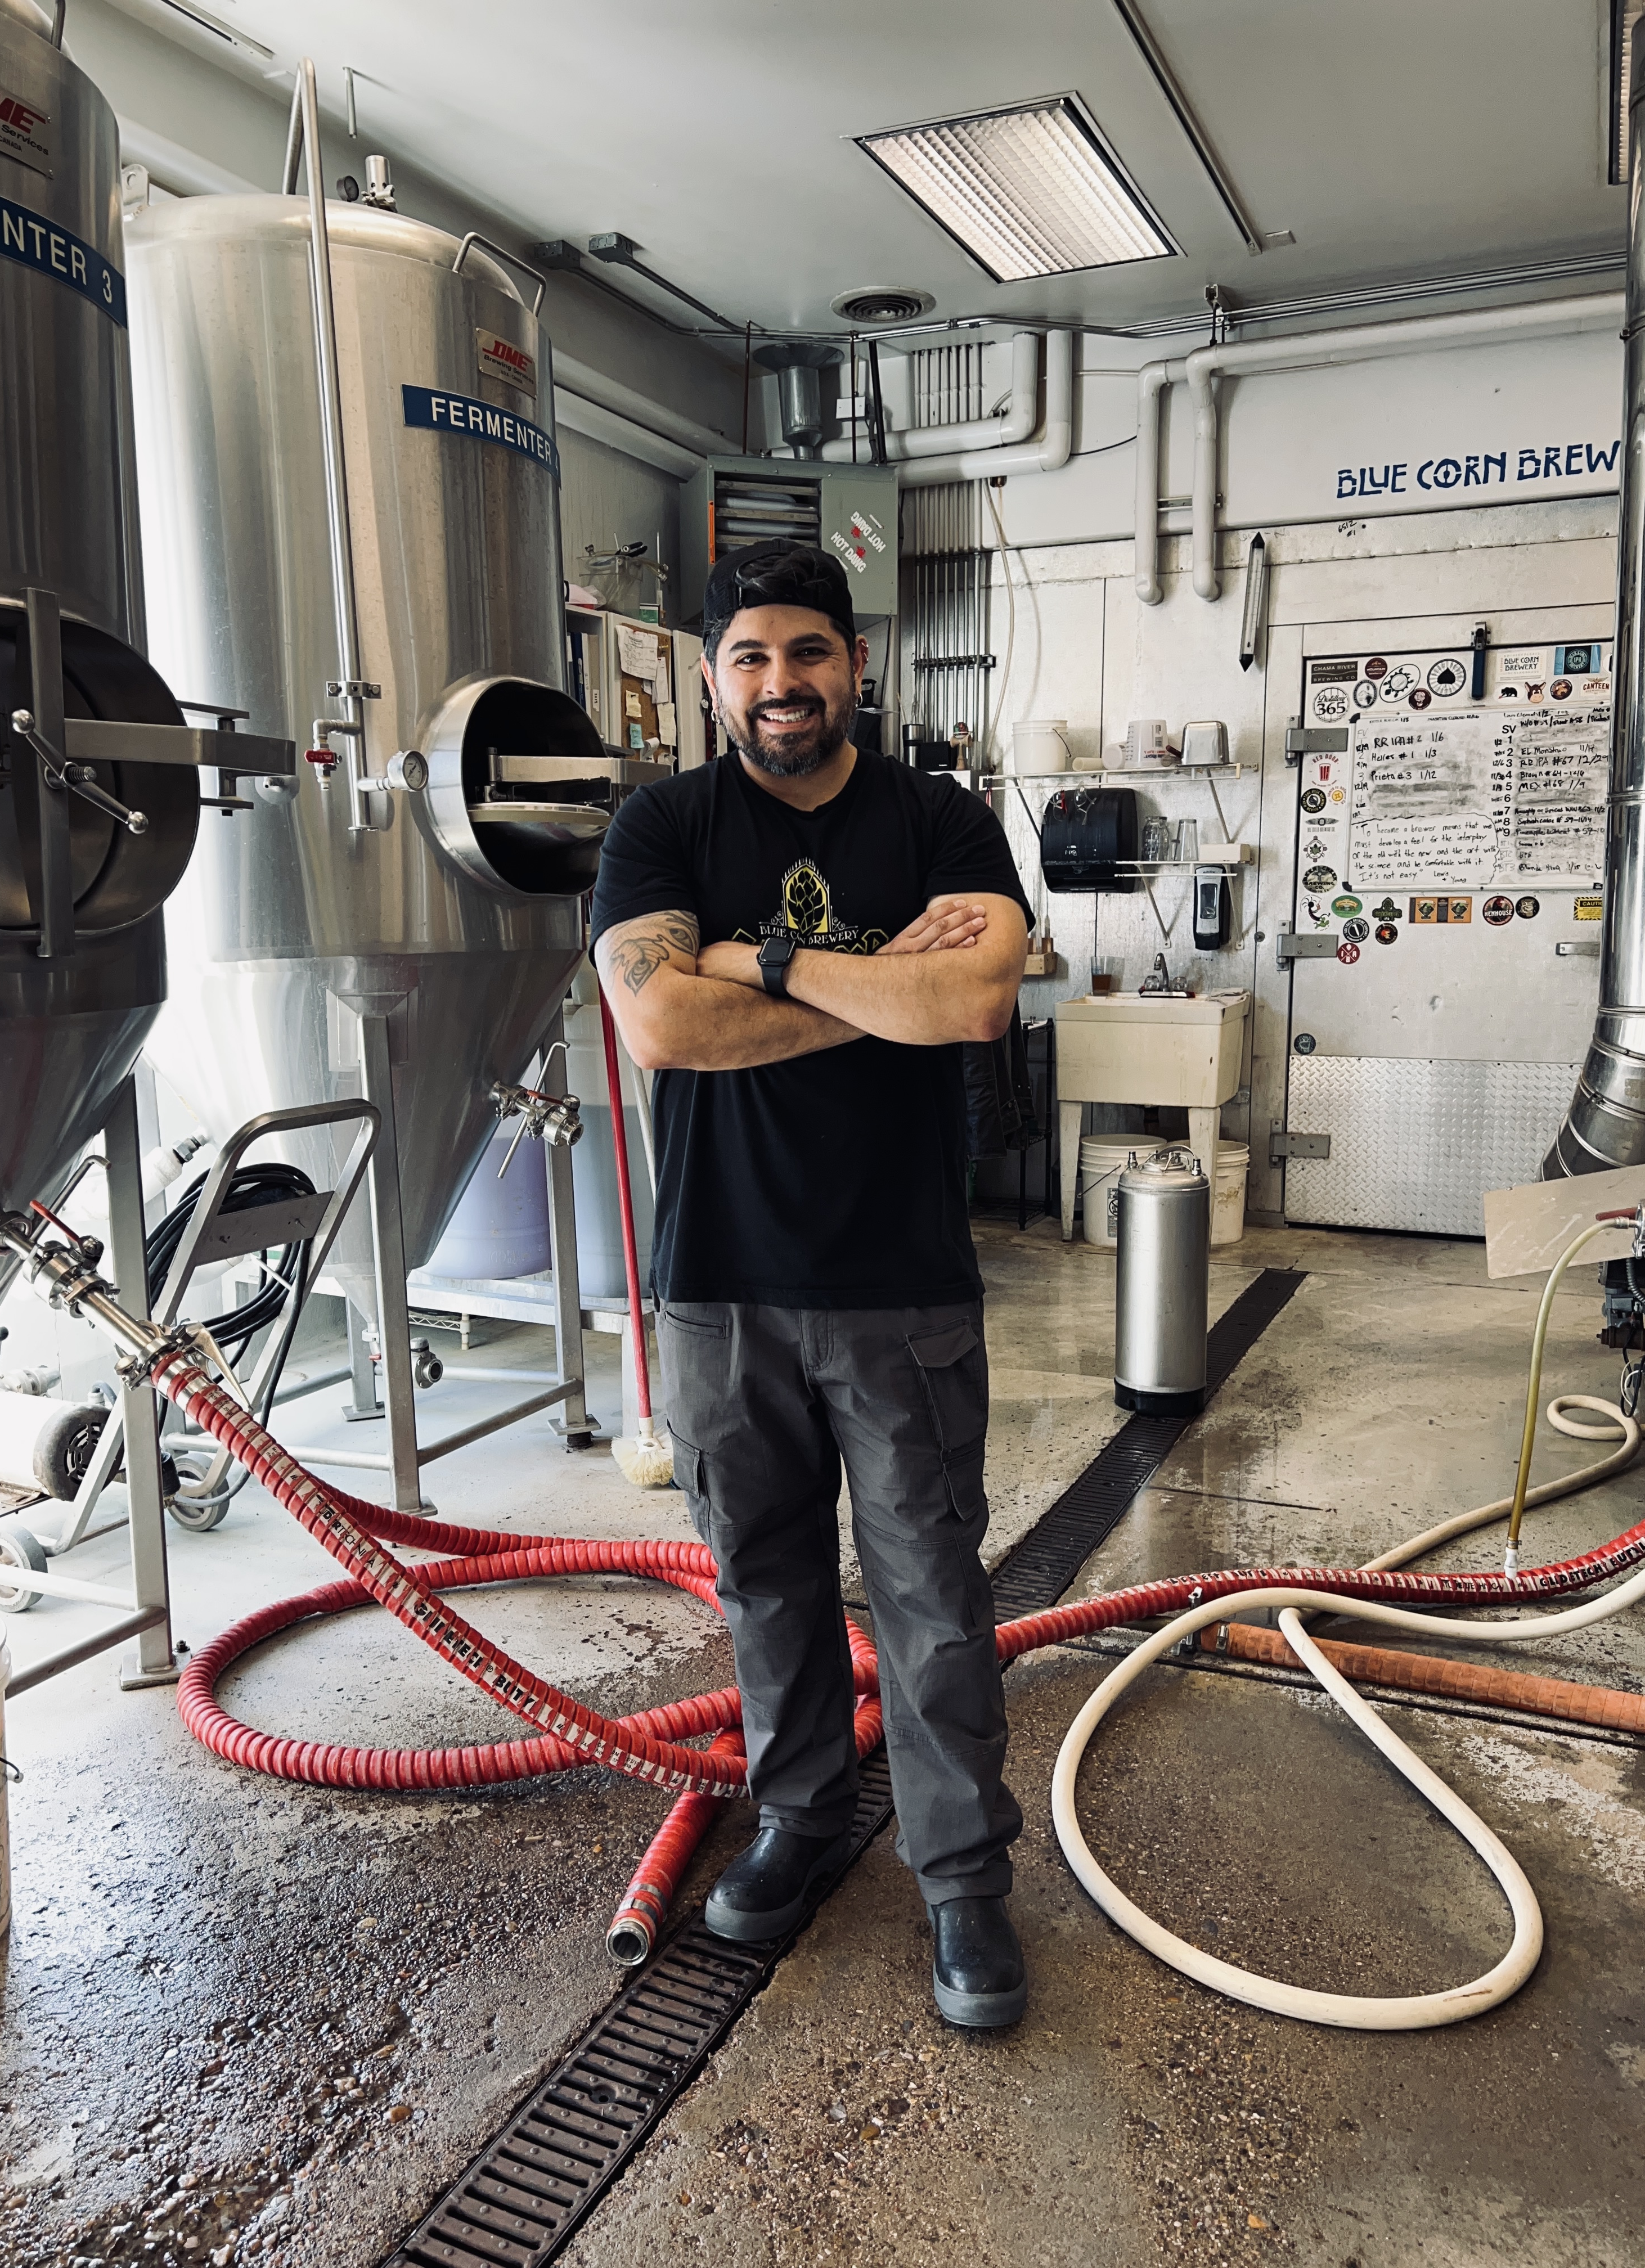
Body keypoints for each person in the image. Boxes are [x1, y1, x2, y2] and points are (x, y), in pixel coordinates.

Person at [590, 538, 1033, 2028]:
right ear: (715, 682)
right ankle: (797, 1817)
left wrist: (765, 963)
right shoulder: (661, 826)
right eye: (752, 658)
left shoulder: (940, 819)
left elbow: (975, 998)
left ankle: (963, 1884)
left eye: (809, 652)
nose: (782, 683)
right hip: (718, 1285)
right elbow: (663, 1028)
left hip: (900, 1282)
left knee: (932, 1598)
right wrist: (880, 987)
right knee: (766, 1586)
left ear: (858, 665)